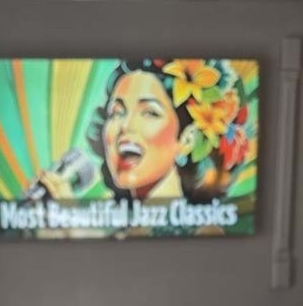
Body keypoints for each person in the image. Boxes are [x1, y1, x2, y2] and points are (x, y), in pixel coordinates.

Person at [38, 57, 250, 205]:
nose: (125, 127)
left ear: (187, 139)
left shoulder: (204, 231)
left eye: (149, 112)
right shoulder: (122, 231)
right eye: (117, 112)